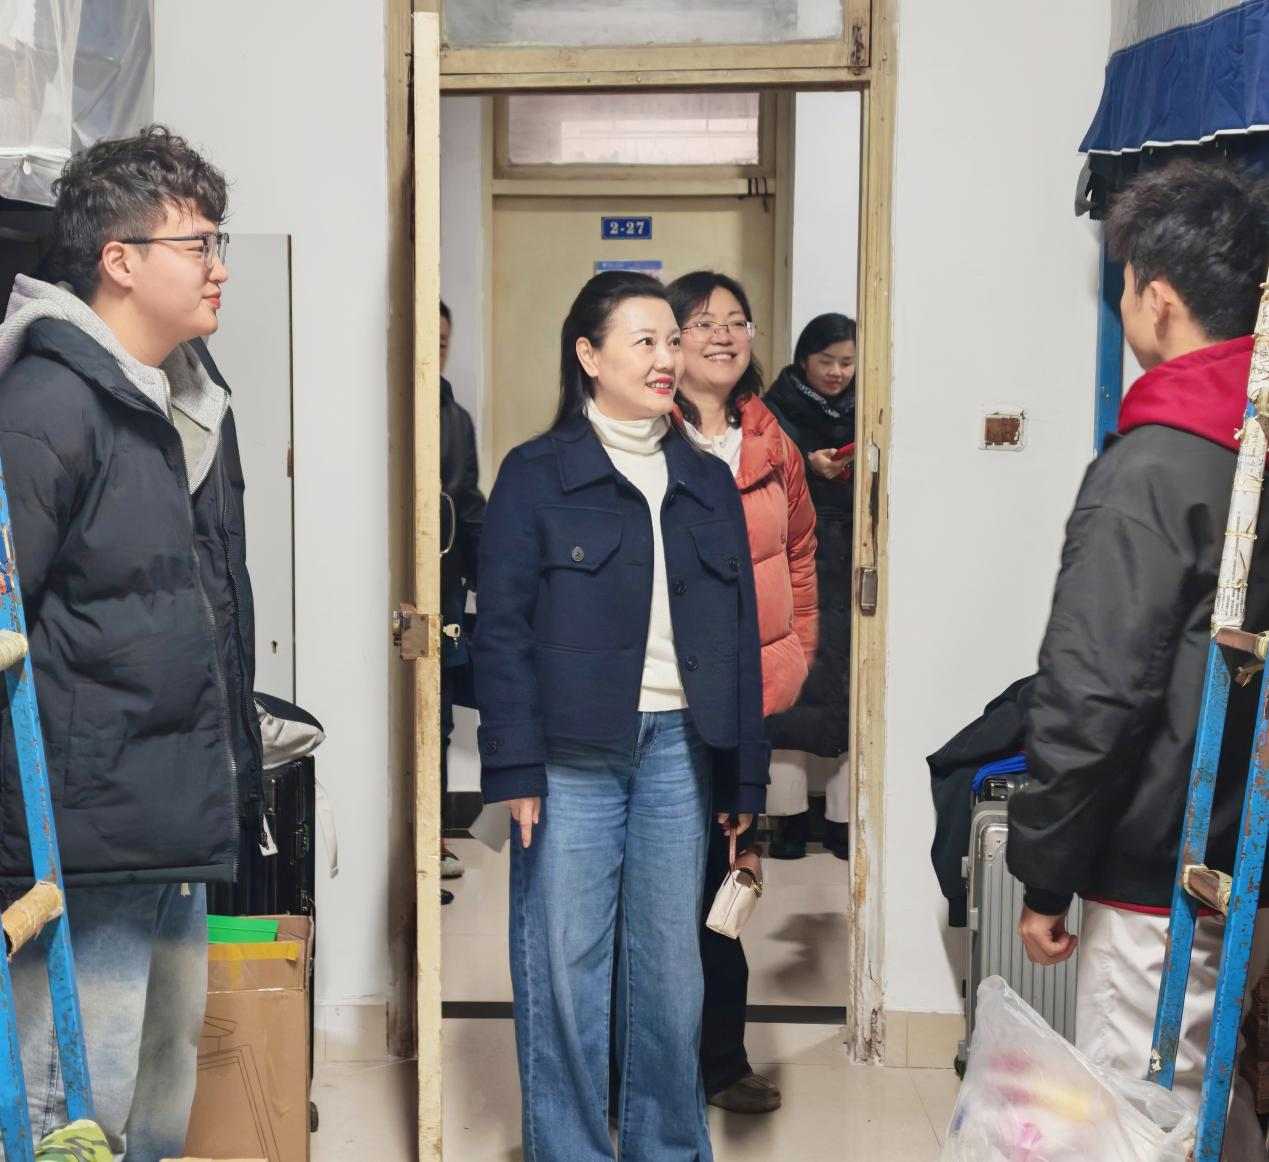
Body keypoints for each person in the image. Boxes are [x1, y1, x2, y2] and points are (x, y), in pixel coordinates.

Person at [0, 126, 261, 1157]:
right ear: (119, 259)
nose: (218, 266)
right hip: (82, 840)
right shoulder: (45, 406)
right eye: (198, 244)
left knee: (153, 1115)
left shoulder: (186, 402)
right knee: (72, 1113)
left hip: (172, 819)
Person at [474, 269, 769, 1161]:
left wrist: (743, 779)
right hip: (571, 755)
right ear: (589, 355)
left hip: (681, 748)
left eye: (671, 340)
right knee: (565, 965)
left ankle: (667, 1147)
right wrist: (514, 766)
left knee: (671, 972)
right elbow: (502, 632)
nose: (667, 357)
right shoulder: (535, 474)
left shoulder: (704, 479)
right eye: (644, 341)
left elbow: (739, 638)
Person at [1008, 159, 1269, 1160]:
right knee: (1209, 1101)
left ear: (1157, 299)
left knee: (1133, 1119)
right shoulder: (1250, 443)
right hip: (1243, 849)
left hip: (1161, 865)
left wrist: (1045, 874)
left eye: (1123, 288)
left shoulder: (1156, 463)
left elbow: (1094, 691)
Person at [667, 270, 817, 1115]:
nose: (722, 335)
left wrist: (790, 650)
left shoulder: (770, 440)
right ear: (669, 340)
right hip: (663, 693)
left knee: (726, 882)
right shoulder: (647, 434)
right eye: (702, 322)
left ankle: (721, 1061)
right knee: (655, 895)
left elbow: (799, 553)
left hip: (741, 695)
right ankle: (641, 1065)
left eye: (735, 321)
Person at [762, 313, 857, 859]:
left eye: (847, 362)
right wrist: (804, 465)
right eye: (827, 361)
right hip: (794, 560)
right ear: (804, 359)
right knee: (789, 696)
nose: (838, 372)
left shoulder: (869, 406)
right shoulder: (775, 408)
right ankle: (788, 823)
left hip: (851, 565)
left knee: (847, 698)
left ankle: (843, 823)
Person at [438, 298, 486, 901]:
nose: (437, 349)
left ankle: (433, 839)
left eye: (445, 340)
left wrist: (489, 580)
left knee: (441, 721)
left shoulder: (455, 418)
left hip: (445, 595)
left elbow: (468, 502)